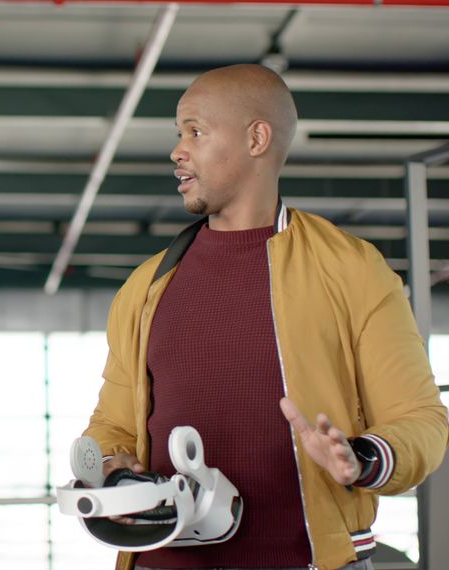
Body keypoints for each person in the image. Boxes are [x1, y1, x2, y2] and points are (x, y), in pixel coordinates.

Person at [83, 64, 447, 570]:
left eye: (195, 132)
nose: (177, 151)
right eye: (178, 134)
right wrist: (111, 465)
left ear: (257, 138)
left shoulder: (353, 269)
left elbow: (421, 419)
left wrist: (362, 456)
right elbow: (113, 424)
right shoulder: (145, 288)